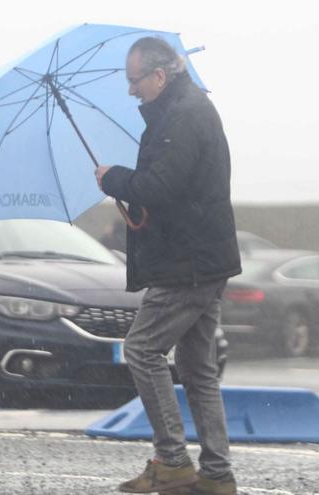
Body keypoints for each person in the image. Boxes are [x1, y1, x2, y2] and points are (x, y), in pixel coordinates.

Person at [95, 36, 242, 495]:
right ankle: (215, 473)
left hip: (188, 263)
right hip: (202, 259)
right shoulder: (179, 111)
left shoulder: (183, 115)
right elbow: (171, 189)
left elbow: (161, 187)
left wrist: (114, 179)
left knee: (141, 350)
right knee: (198, 370)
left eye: (135, 81)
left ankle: (174, 462)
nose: (132, 90)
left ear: (159, 75)